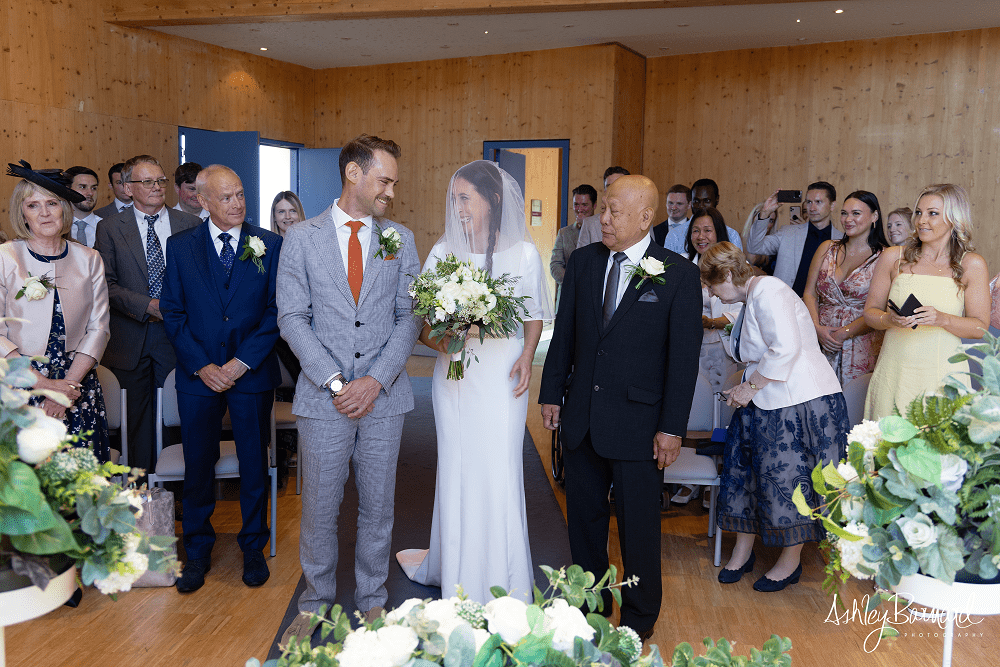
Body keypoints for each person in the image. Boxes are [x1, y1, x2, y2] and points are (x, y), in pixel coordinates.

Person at [540, 175, 702, 640]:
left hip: (640, 424)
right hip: (583, 420)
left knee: (638, 530)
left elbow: (682, 361)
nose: (601, 219)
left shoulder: (678, 274)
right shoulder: (585, 263)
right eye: (602, 210)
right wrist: (552, 391)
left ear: (645, 218)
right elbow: (565, 333)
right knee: (584, 526)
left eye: (612, 211)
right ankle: (590, 612)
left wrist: (672, 428)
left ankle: (637, 619)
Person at [277, 134, 421, 645]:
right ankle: (314, 602)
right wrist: (338, 382)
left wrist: (373, 381)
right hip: (324, 399)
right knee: (319, 505)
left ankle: (372, 600)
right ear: (353, 174)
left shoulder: (399, 239)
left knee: (379, 507)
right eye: (384, 181)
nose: (391, 192)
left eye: (394, 184)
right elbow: (292, 318)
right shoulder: (302, 238)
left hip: (384, 398)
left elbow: (410, 317)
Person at [397, 161, 554, 603]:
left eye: (466, 198)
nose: (458, 206)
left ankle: (504, 575)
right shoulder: (445, 251)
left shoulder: (523, 253)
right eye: (455, 198)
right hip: (455, 374)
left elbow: (533, 315)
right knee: (459, 468)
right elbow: (424, 320)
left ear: (493, 200)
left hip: (503, 372)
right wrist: (448, 337)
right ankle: (458, 572)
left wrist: (526, 355)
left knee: (499, 469)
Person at [160, 165, 282, 593]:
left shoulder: (269, 243)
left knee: (253, 463)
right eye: (226, 197)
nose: (237, 203)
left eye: (241, 194)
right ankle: (196, 551)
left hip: (250, 375)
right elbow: (172, 312)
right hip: (198, 377)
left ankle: (252, 546)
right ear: (203, 201)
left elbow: (276, 311)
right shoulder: (180, 246)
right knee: (198, 466)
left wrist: (239, 363)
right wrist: (203, 365)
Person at [701, 242, 848, 592]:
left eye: (711, 284)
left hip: (800, 401)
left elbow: (786, 348)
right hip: (765, 400)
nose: (710, 292)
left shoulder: (768, 289)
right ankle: (742, 551)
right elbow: (745, 351)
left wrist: (748, 388)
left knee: (790, 481)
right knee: (744, 473)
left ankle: (790, 561)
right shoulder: (747, 299)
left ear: (725, 274)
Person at [94, 155, 202, 477]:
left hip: (177, 335)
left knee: (179, 415)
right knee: (136, 421)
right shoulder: (110, 228)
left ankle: (178, 492)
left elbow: (200, 283)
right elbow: (106, 285)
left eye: (160, 181)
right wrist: (148, 305)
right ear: (128, 188)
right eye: (147, 182)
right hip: (131, 336)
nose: (156, 187)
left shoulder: (191, 225)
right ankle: (142, 495)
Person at [2, 161, 111, 461]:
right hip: (22, 385)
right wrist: (48, 387)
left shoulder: (89, 259)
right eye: (33, 205)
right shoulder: (5, 257)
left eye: (52, 203)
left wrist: (67, 388)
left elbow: (99, 328)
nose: (44, 213)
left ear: (64, 207)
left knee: (83, 481)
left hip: (78, 386)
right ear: (22, 212)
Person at [864, 184, 990, 419]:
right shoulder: (893, 257)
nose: (922, 220)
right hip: (894, 372)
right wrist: (889, 319)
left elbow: (980, 327)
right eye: (919, 212)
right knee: (885, 450)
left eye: (932, 213)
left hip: (943, 375)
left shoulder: (971, 264)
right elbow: (870, 313)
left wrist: (942, 318)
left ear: (954, 219)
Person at [670, 207, 742, 507]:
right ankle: (689, 479)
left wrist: (714, 321)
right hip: (691, 347)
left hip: (722, 348)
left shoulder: (735, 265)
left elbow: (742, 307)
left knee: (721, 411)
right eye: (696, 231)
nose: (701, 236)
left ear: (719, 233)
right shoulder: (683, 266)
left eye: (707, 230)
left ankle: (717, 477)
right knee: (690, 407)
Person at [802, 191, 888, 386]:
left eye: (856, 213)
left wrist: (843, 333)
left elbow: (881, 308)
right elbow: (809, 293)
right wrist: (816, 328)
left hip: (861, 343)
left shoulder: (885, 256)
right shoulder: (827, 248)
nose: (848, 219)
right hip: (819, 338)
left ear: (874, 217)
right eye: (844, 213)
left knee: (854, 404)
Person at [746, 182, 843, 296]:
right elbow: (754, 247)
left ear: (832, 205)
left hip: (824, 308)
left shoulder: (842, 240)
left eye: (818, 202)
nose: (812, 208)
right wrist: (766, 212)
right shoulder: (788, 233)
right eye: (809, 202)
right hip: (785, 303)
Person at [663, 179, 742, 253]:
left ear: (717, 200)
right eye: (696, 201)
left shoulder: (731, 235)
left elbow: (738, 266)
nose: (701, 206)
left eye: (706, 201)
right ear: (691, 202)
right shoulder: (674, 235)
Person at [550, 184, 595, 306]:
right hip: (566, 297)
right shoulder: (564, 233)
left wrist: (586, 225)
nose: (579, 209)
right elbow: (555, 264)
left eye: (584, 205)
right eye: (576, 204)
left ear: (594, 206)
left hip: (592, 297)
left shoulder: (602, 232)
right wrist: (572, 283)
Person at [576, 167, 629, 249]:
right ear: (604, 190)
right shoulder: (589, 224)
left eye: (619, 184)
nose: (613, 189)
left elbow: (651, 256)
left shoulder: (641, 221)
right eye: (609, 186)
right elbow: (581, 260)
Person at [64, 165, 102, 248]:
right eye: (82, 187)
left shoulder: (109, 228)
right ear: (67, 190)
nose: (90, 193)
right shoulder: (57, 227)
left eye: (94, 188)